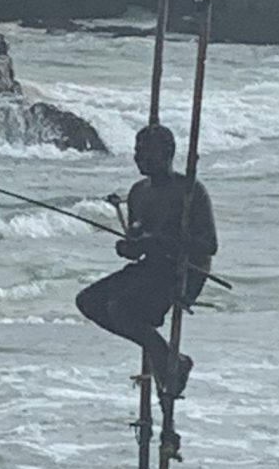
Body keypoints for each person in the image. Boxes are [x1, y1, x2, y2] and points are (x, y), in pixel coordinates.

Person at [75, 122, 217, 406]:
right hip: (150, 270)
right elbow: (137, 242)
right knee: (89, 301)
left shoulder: (188, 190)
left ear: (168, 153)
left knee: (121, 308)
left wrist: (161, 241)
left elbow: (209, 245)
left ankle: (166, 359)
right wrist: (129, 247)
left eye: (147, 152)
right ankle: (165, 356)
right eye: (137, 151)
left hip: (182, 273)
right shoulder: (139, 191)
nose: (140, 158)